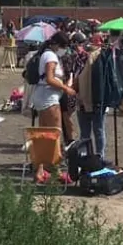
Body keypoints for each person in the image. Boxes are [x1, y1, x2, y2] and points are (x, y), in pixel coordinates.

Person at [31, 32, 75, 184]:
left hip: (42, 96)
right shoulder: (50, 56)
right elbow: (50, 79)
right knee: (54, 135)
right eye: (63, 47)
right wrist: (65, 88)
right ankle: (56, 170)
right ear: (57, 45)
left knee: (44, 134)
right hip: (49, 98)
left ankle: (40, 171)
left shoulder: (45, 54)